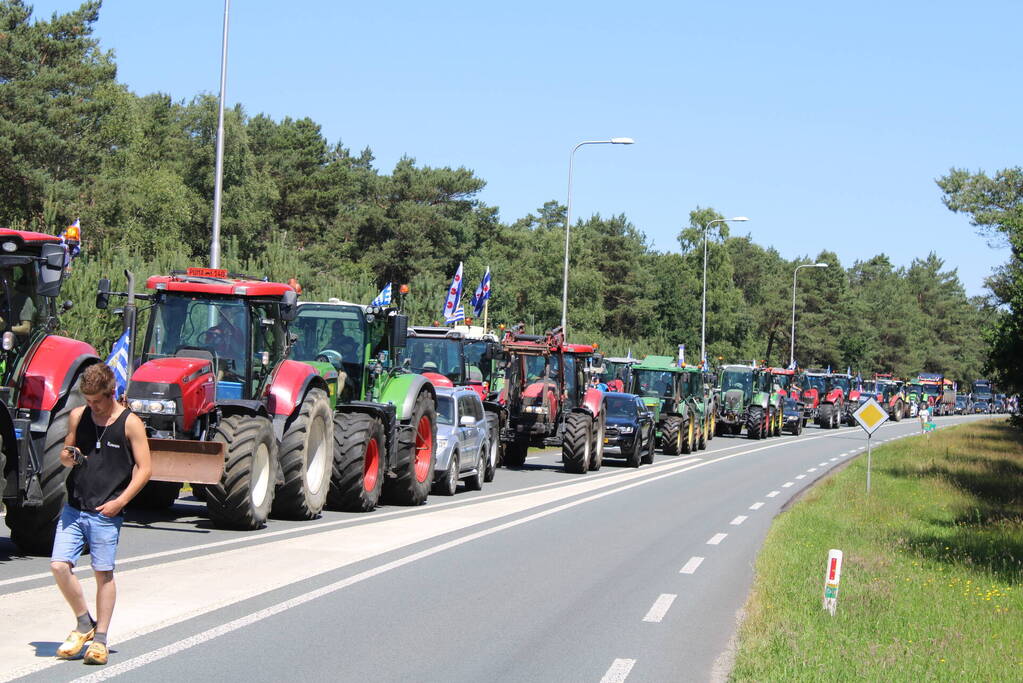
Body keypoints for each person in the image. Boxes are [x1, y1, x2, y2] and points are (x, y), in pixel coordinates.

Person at [49, 363, 152, 666]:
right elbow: (66, 456)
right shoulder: (78, 416)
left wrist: (120, 502)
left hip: (106, 511)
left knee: (102, 574)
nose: (91, 406)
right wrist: (68, 457)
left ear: (112, 394)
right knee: (58, 566)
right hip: (75, 506)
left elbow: (145, 469)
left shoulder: (130, 423)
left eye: (97, 401)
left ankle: (101, 639)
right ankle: (84, 623)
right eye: (88, 400)